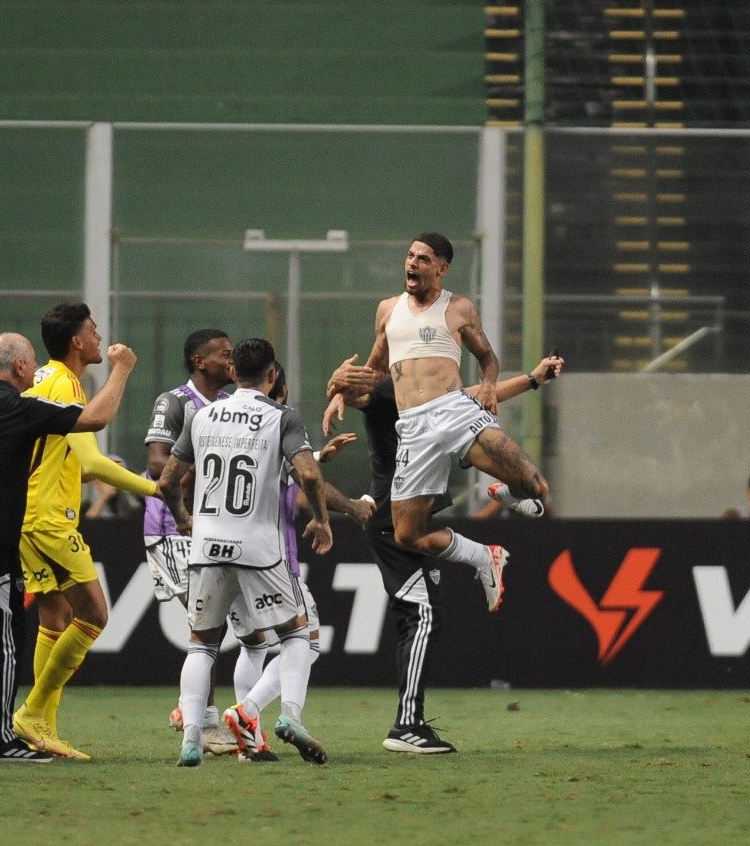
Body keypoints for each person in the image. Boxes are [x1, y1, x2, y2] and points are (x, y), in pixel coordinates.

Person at [0, 331, 137, 763]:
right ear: (18, 368)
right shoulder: (15, 406)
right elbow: (93, 419)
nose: (35, 371)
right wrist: (122, 370)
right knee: (3, 641)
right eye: (31, 364)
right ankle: (1, 741)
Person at [324, 351, 562, 754]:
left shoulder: (430, 398)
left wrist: (533, 379)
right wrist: (338, 387)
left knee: (422, 616)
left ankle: (409, 722)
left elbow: (480, 394)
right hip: (388, 515)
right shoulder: (387, 391)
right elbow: (360, 394)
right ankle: (406, 726)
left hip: (407, 512)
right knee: (423, 616)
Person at [348, 232, 549, 615]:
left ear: (442, 268)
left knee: (535, 486)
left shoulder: (458, 308)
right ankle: (482, 556)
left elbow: (488, 357)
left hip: (455, 412)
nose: (412, 264)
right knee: (406, 534)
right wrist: (341, 394)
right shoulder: (388, 310)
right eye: (410, 256)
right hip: (412, 427)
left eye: (423, 259)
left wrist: (489, 386)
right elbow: (373, 371)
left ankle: (505, 495)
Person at [156, 338, 331, 767]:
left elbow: (166, 482)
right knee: (299, 634)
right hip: (259, 549)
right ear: (272, 375)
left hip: (207, 547)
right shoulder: (281, 416)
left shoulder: (201, 415)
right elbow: (308, 471)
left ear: (234, 373)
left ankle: (192, 741)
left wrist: (182, 517)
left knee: (201, 646)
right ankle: (289, 717)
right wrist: (322, 519)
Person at [12, 303, 163, 761]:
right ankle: (33, 713)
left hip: (30, 511)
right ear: (77, 341)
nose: (100, 338)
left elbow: (63, 463)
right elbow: (94, 461)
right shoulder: (65, 382)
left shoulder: (41, 378)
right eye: (94, 331)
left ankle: (43, 730)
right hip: (49, 520)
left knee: (54, 620)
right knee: (95, 615)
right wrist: (156, 489)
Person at [222, 361, 371, 762]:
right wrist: (346, 511)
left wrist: (319, 455)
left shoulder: (217, 416)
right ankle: (261, 713)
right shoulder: (281, 419)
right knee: (306, 641)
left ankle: (245, 740)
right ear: (277, 387)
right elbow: (305, 482)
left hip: (217, 554)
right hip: (270, 556)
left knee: (250, 646)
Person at [144, 328, 242, 756]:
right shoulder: (176, 402)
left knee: (214, 626)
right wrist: (209, 476)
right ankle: (204, 721)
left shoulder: (228, 407)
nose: (231, 359)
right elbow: (156, 462)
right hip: (173, 528)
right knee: (209, 627)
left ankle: (192, 711)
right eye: (224, 354)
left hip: (213, 529)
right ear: (200, 362)